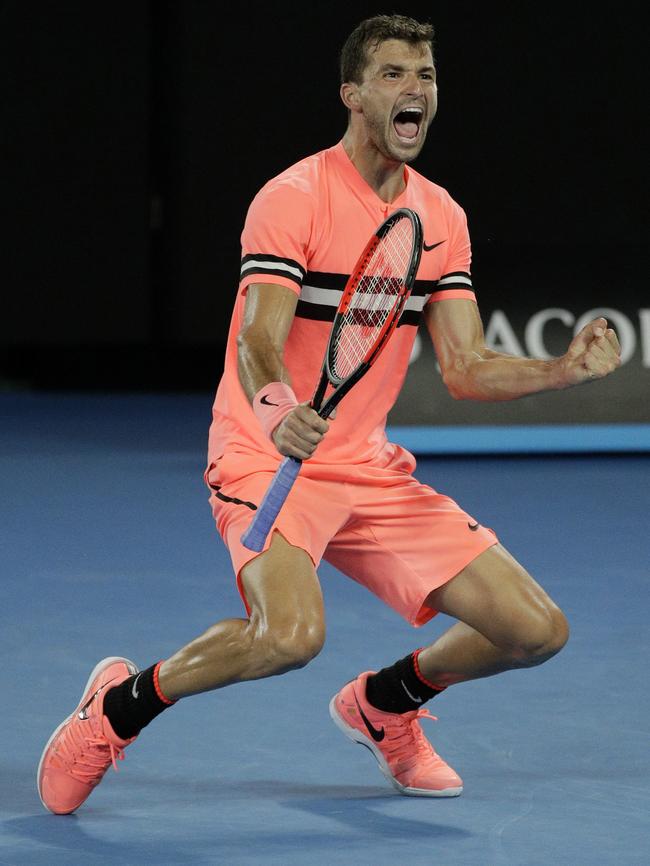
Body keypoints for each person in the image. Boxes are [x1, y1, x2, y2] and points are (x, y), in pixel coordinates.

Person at [37, 13, 622, 814]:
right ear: (352, 94)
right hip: (264, 452)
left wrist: (561, 372)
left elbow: (467, 369)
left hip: (365, 467)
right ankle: (117, 709)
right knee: (286, 639)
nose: (414, 89)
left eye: (425, 76)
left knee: (534, 630)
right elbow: (258, 339)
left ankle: (385, 704)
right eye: (392, 75)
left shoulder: (441, 218)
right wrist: (278, 409)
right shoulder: (293, 198)